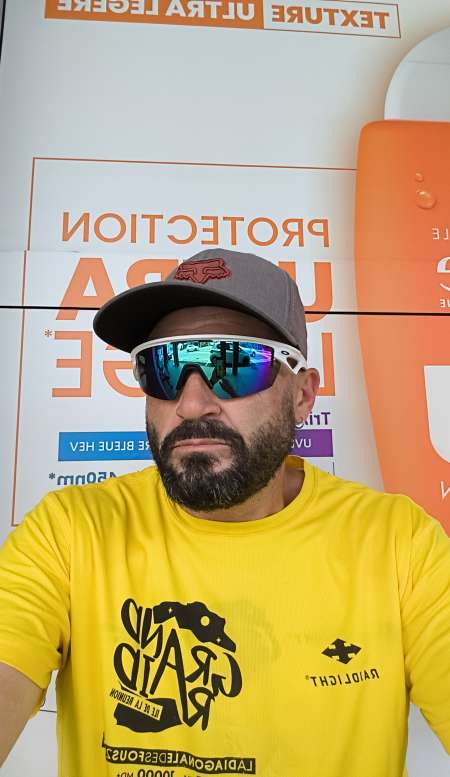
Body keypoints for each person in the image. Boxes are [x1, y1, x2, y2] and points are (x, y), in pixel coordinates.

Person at [0, 248, 449, 777]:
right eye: (163, 367)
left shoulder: (398, 543)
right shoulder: (71, 531)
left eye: (231, 364)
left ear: (302, 395)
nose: (191, 404)